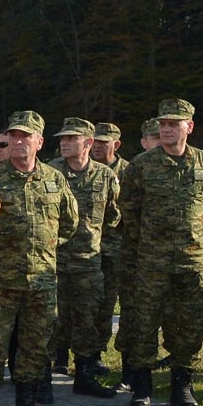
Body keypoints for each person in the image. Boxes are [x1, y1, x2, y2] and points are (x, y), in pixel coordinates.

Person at [0, 111, 78, 406]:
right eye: (14, 136)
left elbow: (69, 223)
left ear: (39, 142)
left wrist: (44, 247)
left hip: (41, 282)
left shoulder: (54, 178)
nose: (19, 142)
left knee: (35, 348)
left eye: (26, 136)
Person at [118, 99, 203, 406]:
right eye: (163, 124)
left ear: (188, 127)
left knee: (189, 324)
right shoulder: (141, 165)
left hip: (192, 261)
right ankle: (142, 386)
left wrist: (192, 234)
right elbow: (130, 210)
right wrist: (148, 243)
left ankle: (182, 385)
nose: (166, 129)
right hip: (151, 260)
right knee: (145, 322)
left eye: (173, 124)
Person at [46, 117, 120, 398]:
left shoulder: (105, 176)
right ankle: (42, 378)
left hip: (88, 261)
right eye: (62, 139)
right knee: (50, 320)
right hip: (53, 260)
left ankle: (85, 374)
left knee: (87, 320)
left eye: (71, 138)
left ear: (87, 142)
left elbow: (113, 217)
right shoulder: (51, 172)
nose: (64, 143)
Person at [91, 122, 129, 369]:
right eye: (94, 141)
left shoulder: (128, 171)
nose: (96, 146)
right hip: (85, 250)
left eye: (103, 142)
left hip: (114, 249)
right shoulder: (85, 168)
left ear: (116, 144)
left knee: (106, 304)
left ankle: (97, 353)